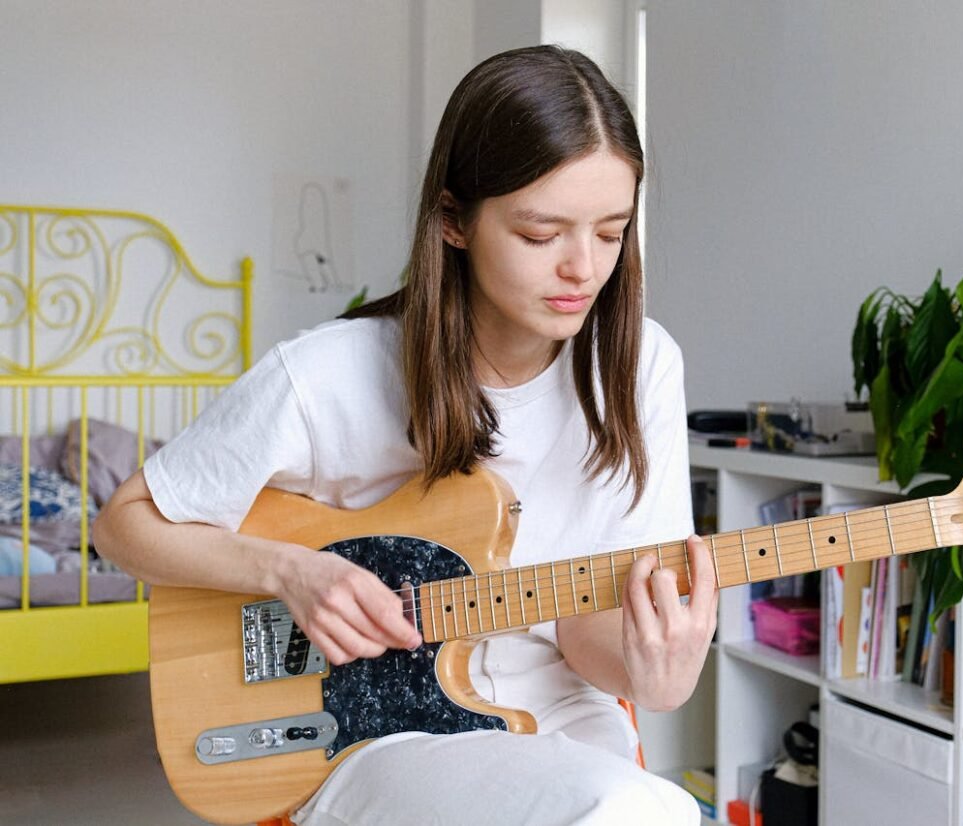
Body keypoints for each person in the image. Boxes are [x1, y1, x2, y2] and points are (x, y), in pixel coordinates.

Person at [95, 45, 714, 825]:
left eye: (610, 232)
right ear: (453, 219)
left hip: (560, 717)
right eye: (539, 234)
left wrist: (655, 676)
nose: (581, 270)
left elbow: (588, 627)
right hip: (375, 737)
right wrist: (292, 574)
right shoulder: (329, 374)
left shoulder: (641, 366)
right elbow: (123, 524)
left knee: (649, 811)